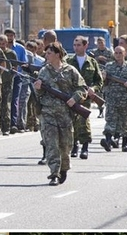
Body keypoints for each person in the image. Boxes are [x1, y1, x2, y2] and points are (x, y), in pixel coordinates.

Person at [33, 42, 87, 186]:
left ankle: (63, 169)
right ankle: (54, 173)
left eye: (49, 53)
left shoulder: (71, 70)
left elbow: (82, 88)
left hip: (65, 113)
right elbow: (39, 94)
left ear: (58, 54)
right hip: (48, 112)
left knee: (65, 144)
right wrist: (37, 88)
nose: (46, 55)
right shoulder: (44, 71)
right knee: (51, 143)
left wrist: (74, 98)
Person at [100, 46, 127, 153]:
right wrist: (103, 77)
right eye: (116, 53)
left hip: (126, 98)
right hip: (112, 98)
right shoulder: (109, 66)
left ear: (124, 54)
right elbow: (102, 81)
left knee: (125, 121)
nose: (118, 55)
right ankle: (108, 140)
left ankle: (125, 144)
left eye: (120, 53)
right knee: (110, 119)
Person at [66, 36, 103, 160]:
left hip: (85, 97)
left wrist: (94, 89)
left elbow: (99, 81)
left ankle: (85, 147)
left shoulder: (92, 62)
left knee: (83, 121)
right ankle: (74, 146)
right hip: (71, 96)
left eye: (79, 45)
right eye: (75, 45)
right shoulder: (68, 61)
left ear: (85, 46)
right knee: (71, 121)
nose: (76, 48)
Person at [4, 28, 28, 134]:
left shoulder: (20, 48)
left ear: (14, 36)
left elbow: (24, 63)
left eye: (11, 35)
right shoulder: (1, 48)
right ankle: (4, 123)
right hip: (4, 77)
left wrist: (17, 68)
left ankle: (13, 123)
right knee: (4, 100)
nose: (9, 38)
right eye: (7, 35)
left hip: (17, 76)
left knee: (15, 99)